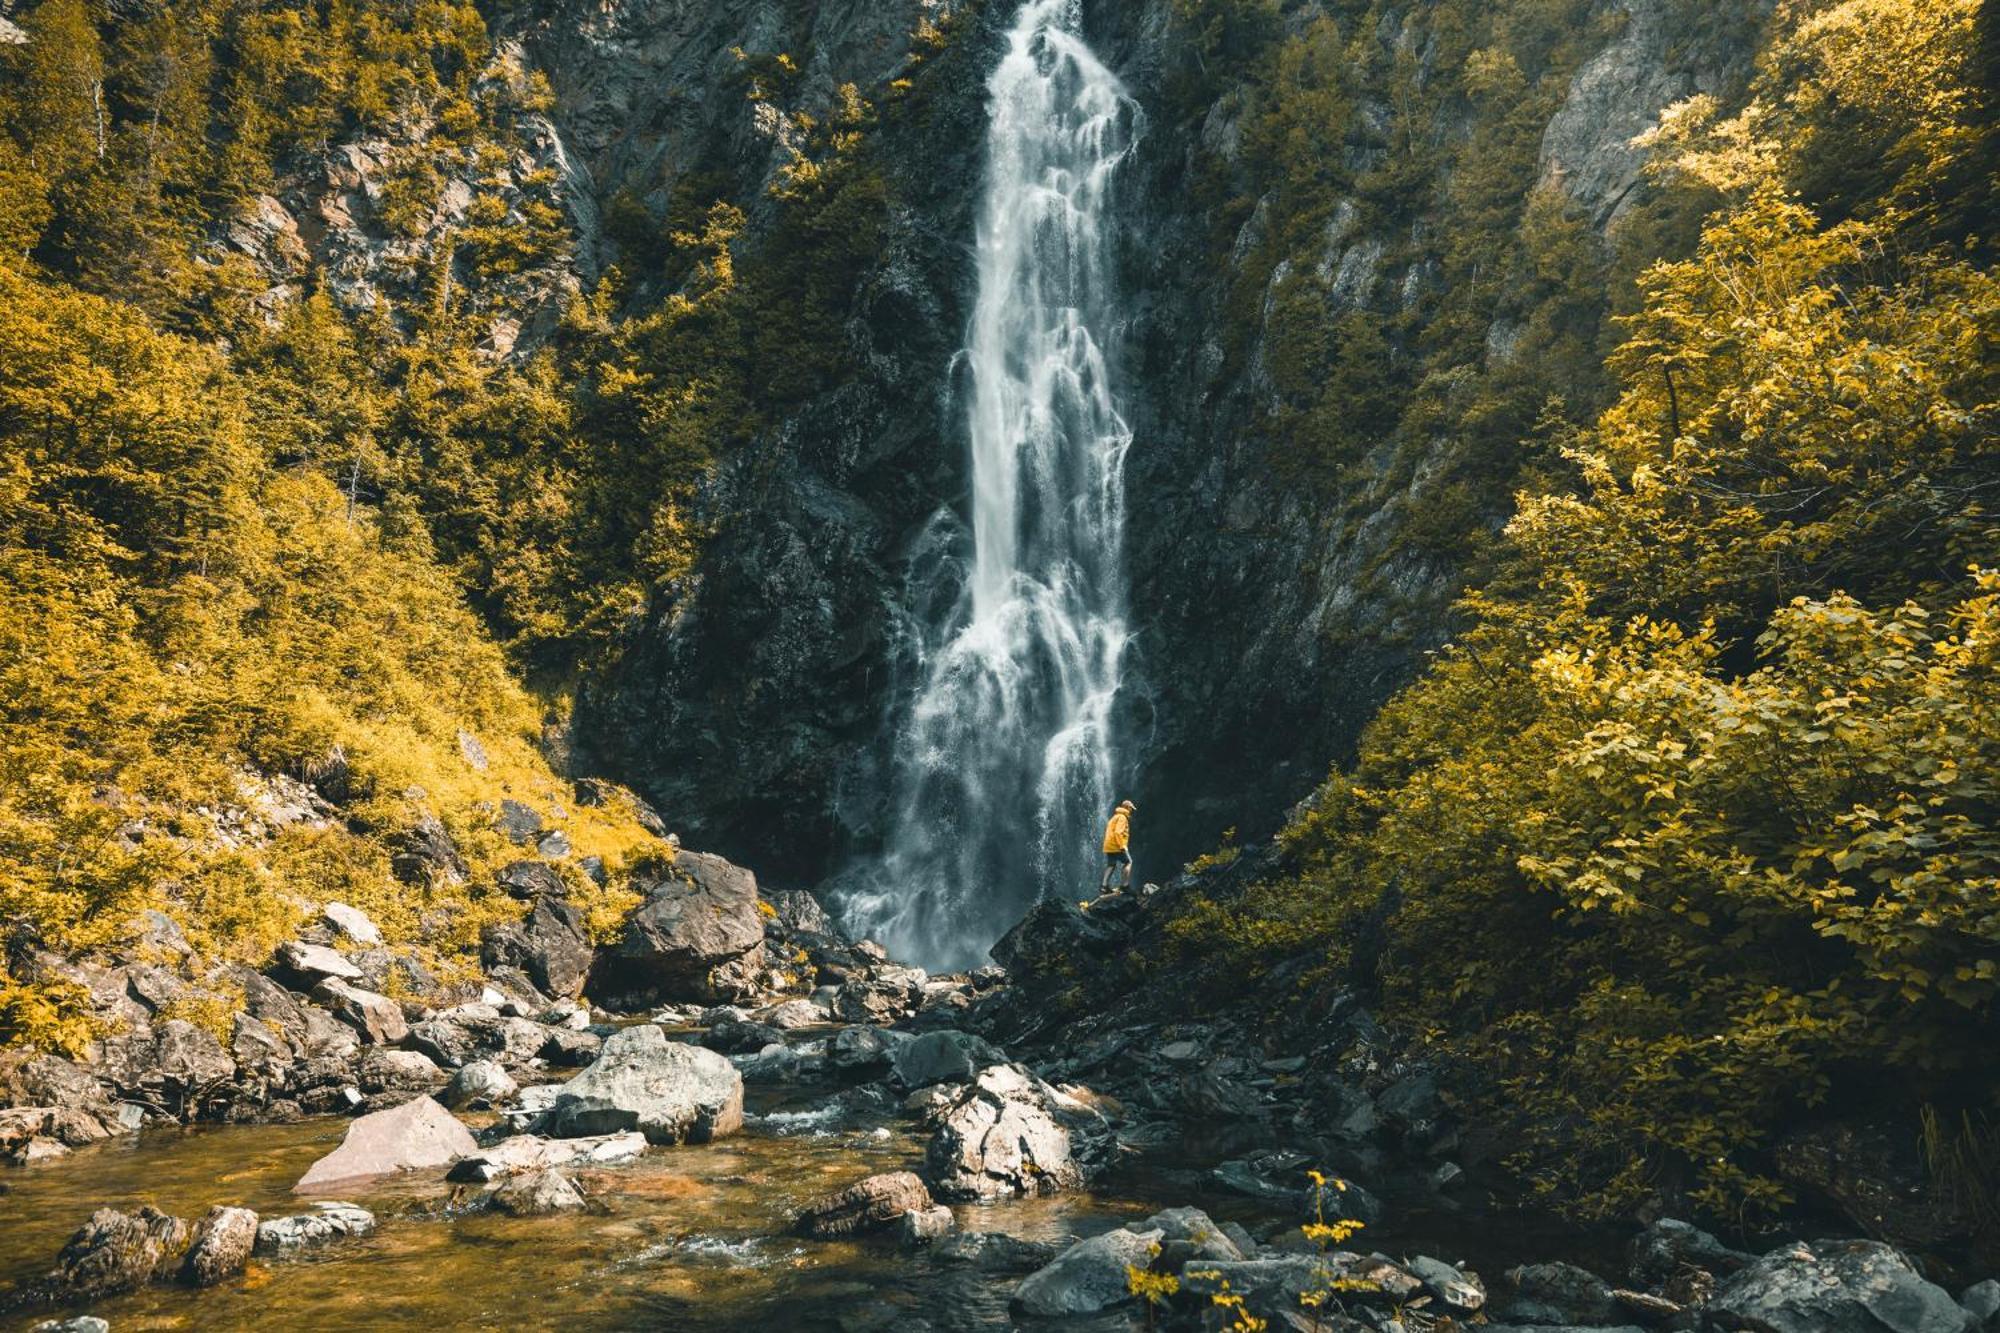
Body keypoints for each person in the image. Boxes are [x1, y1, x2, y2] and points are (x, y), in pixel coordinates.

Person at [1100, 799, 1135, 893]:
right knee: (1128, 862)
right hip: (1116, 845)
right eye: (1131, 808)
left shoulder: (1114, 817)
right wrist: (1122, 846)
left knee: (1111, 865)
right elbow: (1118, 832)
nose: (1131, 811)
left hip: (1108, 845)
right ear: (1127, 807)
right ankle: (1125, 885)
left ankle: (1104, 886)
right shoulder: (1122, 817)